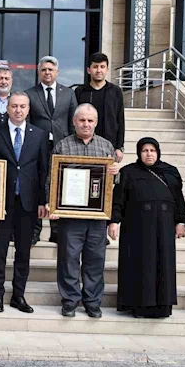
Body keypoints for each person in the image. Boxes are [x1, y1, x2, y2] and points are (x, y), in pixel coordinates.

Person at [46, 103, 119, 319]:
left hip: (96, 216)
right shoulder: (62, 146)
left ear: (96, 123)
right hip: (70, 215)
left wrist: (116, 171)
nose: (86, 124)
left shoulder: (106, 147)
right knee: (68, 258)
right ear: (74, 122)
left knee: (95, 259)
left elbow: (113, 183)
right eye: (82, 120)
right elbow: (53, 177)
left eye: (90, 121)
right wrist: (52, 203)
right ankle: (70, 300)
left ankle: (92, 302)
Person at [109, 138, 185, 318]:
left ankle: (161, 307)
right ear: (139, 153)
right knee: (139, 264)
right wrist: (114, 221)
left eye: (152, 150)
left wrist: (181, 222)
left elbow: (179, 200)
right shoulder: (128, 172)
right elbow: (118, 200)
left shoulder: (170, 172)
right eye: (145, 150)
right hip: (136, 229)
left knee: (163, 265)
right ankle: (138, 306)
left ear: (158, 152)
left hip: (164, 226)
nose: (149, 154)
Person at [0, 92, 47, 314]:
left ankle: (18, 295)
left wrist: (43, 201)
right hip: (3, 202)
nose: (18, 110)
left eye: (22, 106)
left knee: (23, 252)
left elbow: (43, 171)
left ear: (28, 109)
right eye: (14, 106)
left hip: (29, 203)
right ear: (7, 109)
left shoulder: (40, 135)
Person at [26, 56, 78, 244]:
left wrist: (73, 144)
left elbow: (73, 121)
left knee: (59, 186)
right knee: (39, 185)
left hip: (62, 146)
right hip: (37, 147)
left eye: (51, 69)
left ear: (57, 72)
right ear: (39, 72)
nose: (47, 72)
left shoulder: (68, 94)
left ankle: (56, 230)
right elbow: (28, 122)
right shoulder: (30, 94)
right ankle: (35, 230)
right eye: (44, 70)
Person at [75, 52, 125, 163]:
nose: (98, 70)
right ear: (89, 70)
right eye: (95, 67)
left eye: (102, 67)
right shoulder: (80, 91)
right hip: (84, 143)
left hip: (109, 144)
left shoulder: (115, 91)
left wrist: (119, 147)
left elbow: (120, 119)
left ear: (107, 69)